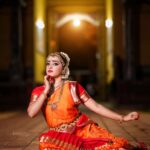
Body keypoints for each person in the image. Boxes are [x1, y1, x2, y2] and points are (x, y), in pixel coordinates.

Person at [27, 52, 146, 150]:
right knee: (46, 142)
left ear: (63, 69)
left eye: (55, 63)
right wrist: (46, 90)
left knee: (116, 147)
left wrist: (122, 118)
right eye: (48, 63)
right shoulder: (39, 91)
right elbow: (31, 113)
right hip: (60, 136)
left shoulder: (72, 87)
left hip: (83, 130)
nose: (50, 66)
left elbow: (96, 106)